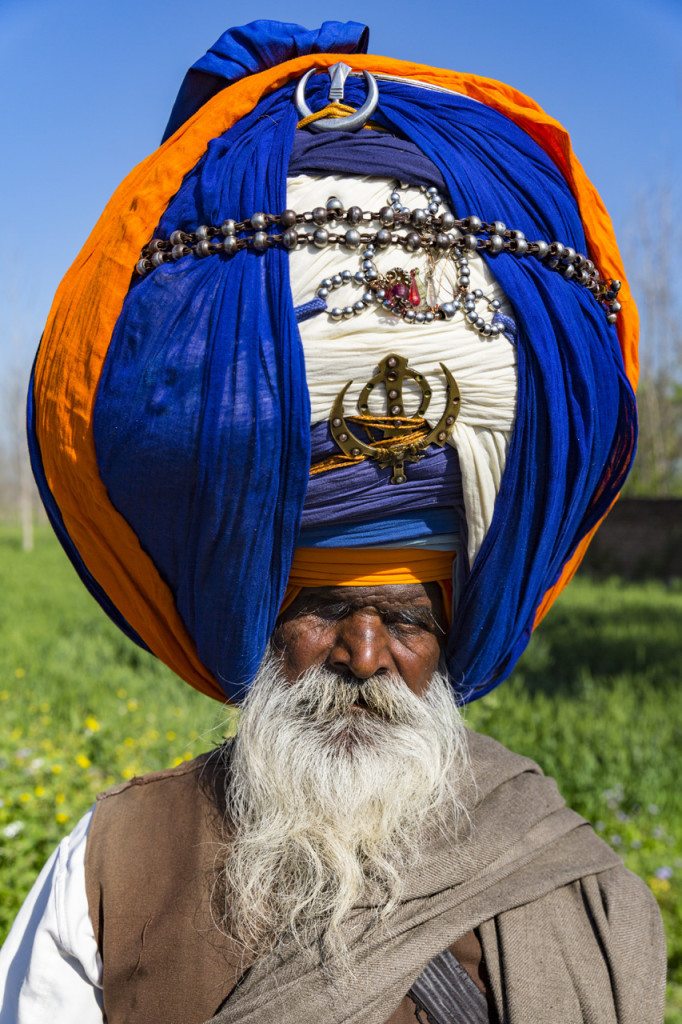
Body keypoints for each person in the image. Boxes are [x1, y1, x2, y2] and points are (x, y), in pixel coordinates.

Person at [0, 19, 666, 1024]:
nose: (362, 653)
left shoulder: (581, 888)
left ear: (453, 631)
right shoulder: (109, 873)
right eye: (319, 607)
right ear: (255, 610)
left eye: (405, 617)